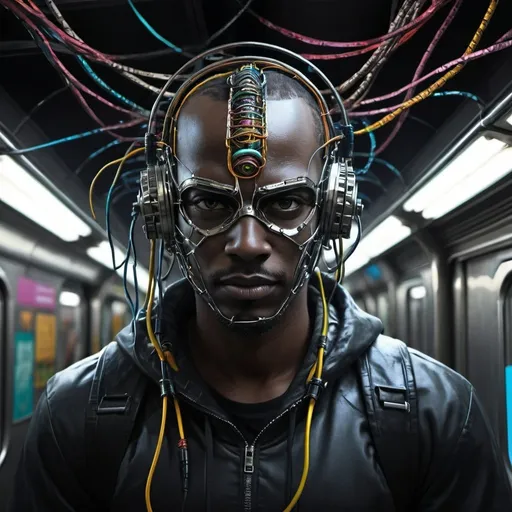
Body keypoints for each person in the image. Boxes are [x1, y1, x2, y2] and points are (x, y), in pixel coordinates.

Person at [9, 48, 512, 512]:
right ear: (164, 213)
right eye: (210, 203)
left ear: (331, 213)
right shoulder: (78, 415)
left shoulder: (434, 414)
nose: (247, 243)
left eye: (285, 203)